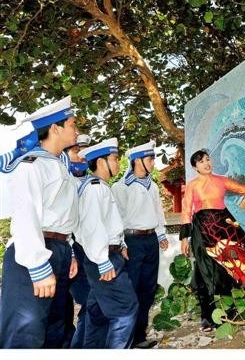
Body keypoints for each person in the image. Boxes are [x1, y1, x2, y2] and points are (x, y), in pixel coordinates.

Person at [0, 96, 80, 348]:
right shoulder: (31, 164)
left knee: (56, 330)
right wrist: (38, 266)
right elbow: (26, 216)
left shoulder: (58, 166)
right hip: (33, 253)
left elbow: (62, 218)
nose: (77, 130)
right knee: (25, 335)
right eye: (72, 124)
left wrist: (69, 251)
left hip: (57, 249)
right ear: (55, 128)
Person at [179, 149, 245, 331]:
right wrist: (184, 239)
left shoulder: (221, 180)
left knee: (226, 272)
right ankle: (207, 317)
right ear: (195, 167)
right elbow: (186, 211)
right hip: (201, 232)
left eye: (207, 159)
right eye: (201, 161)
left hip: (223, 231)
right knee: (204, 273)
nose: (206, 163)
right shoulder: (192, 185)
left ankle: (227, 313)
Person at [75, 138, 138, 348]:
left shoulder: (101, 186)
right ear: (101, 162)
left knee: (98, 314)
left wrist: (121, 245)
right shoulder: (94, 188)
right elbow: (92, 228)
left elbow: (109, 224)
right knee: (125, 311)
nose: (119, 163)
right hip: (104, 259)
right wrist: (103, 261)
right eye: (115, 158)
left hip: (107, 255)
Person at [111, 140, 168, 348]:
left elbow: (158, 211)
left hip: (150, 240)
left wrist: (161, 235)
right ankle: (128, 337)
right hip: (132, 241)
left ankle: (140, 336)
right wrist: (121, 243)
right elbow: (117, 218)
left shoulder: (153, 186)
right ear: (137, 161)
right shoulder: (120, 187)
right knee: (133, 288)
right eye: (150, 159)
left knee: (148, 288)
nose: (153, 163)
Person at [63, 133, 92, 348]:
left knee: (92, 303)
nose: (81, 156)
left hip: (91, 250)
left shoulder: (93, 183)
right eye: (76, 151)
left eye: (84, 152)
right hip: (69, 250)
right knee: (86, 302)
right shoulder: (63, 182)